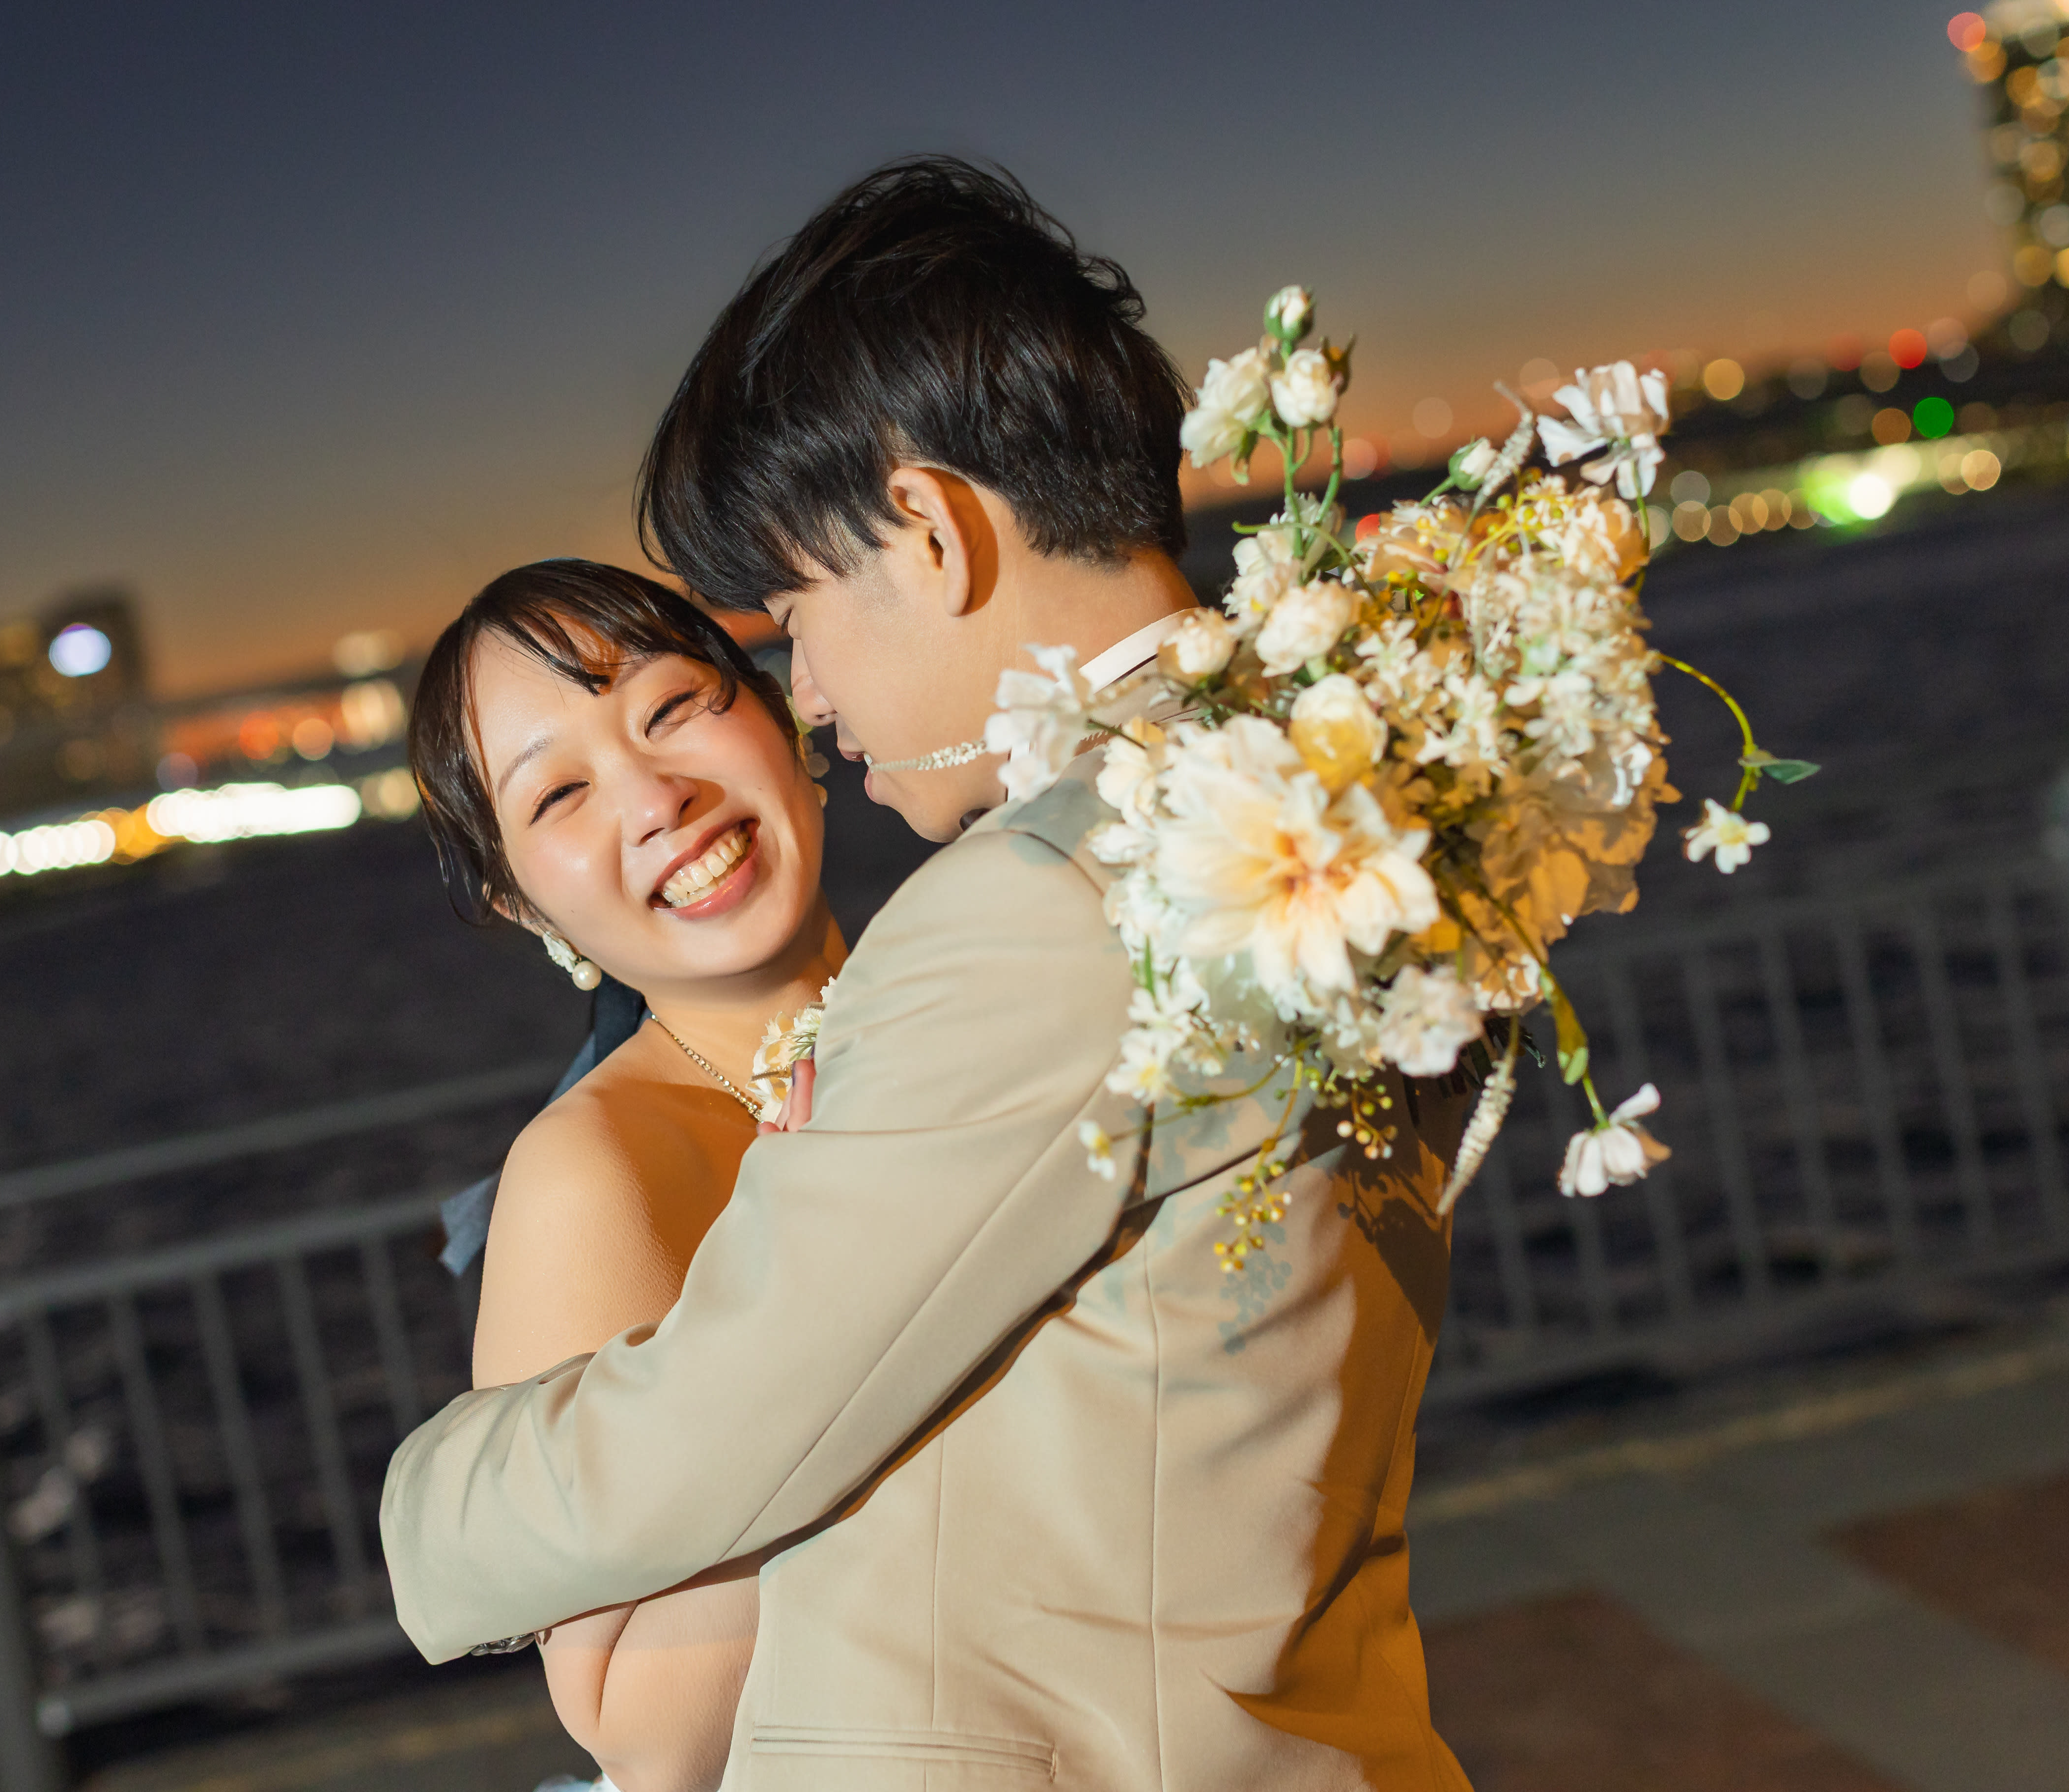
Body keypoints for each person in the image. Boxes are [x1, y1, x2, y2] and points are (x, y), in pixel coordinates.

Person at [383, 157, 1478, 1790]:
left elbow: (768, 1403)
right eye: (557, 796)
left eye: (782, 625)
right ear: (515, 896)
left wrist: (425, 1503)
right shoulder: (1319, 799)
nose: (815, 688)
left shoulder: (1038, 906)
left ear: (930, 531)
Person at [405, 558, 844, 1791]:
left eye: (672, 708)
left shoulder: (971, 984)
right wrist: (817, 1283)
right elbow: (646, 1741)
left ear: (782, 715)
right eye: (560, 794)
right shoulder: (589, 1175)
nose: (655, 798)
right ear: (522, 905)